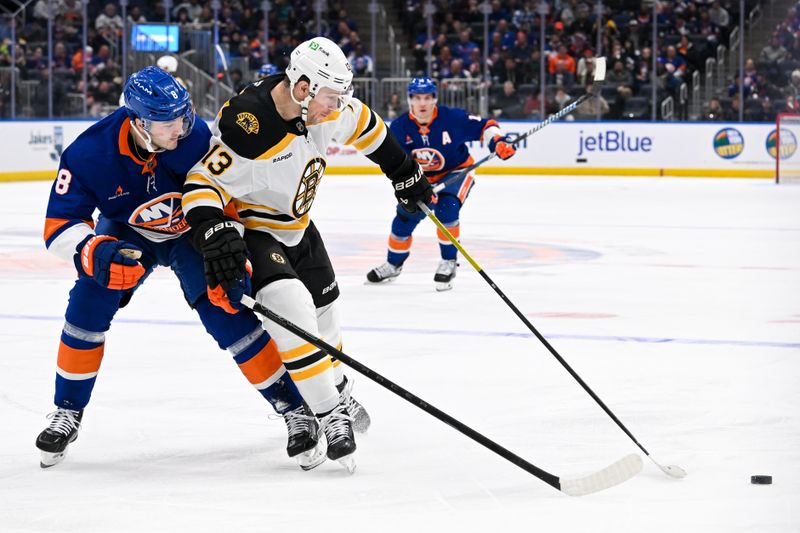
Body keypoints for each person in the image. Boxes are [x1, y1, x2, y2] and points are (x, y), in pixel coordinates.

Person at [37, 66, 324, 471]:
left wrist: (228, 241)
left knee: (228, 311)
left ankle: (294, 409)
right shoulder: (88, 153)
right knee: (87, 302)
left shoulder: (195, 139)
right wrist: (90, 250)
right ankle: (67, 410)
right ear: (139, 123)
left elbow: (224, 193)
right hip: (128, 232)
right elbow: (58, 226)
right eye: (170, 122)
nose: (182, 128)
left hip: (192, 231)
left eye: (184, 115)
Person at [181, 37, 431, 471]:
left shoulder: (322, 105)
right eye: (330, 98)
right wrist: (213, 230)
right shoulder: (250, 125)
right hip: (258, 233)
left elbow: (366, 125)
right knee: (293, 312)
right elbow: (201, 183)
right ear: (302, 88)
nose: (336, 108)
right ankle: (329, 414)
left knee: (327, 316)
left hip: (299, 228)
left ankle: (335, 384)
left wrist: (402, 169)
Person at [366, 77, 516, 291]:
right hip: (421, 179)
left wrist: (499, 141)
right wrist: (419, 186)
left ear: (435, 99)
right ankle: (393, 264)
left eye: (427, 98)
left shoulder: (452, 118)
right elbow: (397, 165)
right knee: (403, 218)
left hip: (456, 172)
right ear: (410, 100)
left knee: (447, 209)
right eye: (417, 98)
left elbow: (486, 126)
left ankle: (449, 261)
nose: (423, 103)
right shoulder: (399, 128)